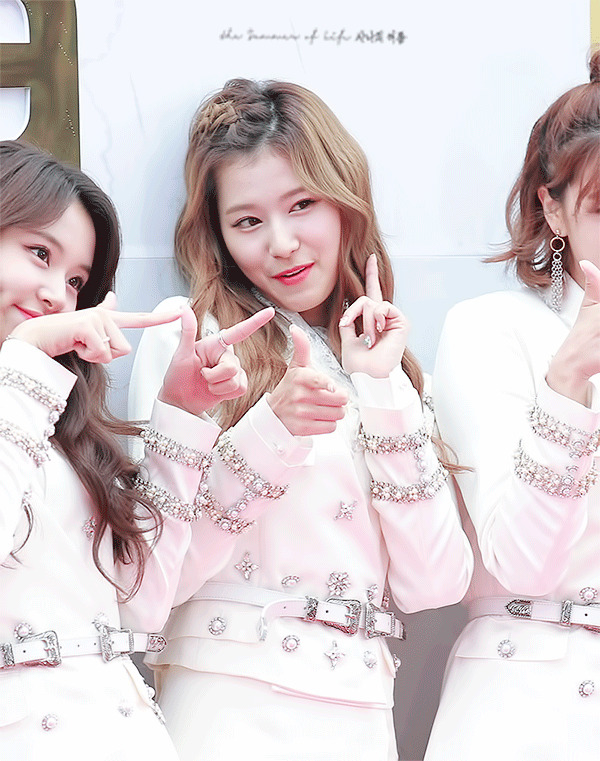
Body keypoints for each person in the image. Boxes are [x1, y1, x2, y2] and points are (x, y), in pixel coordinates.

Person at [129, 78, 473, 761]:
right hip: (230, 707)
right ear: (218, 234)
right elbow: (153, 580)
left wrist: (382, 389)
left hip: (361, 715)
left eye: (302, 205)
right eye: (248, 221)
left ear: (344, 201)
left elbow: (436, 582)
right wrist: (270, 430)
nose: (282, 243)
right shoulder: (192, 339)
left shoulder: (394, 370)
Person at [0, 139, 272, 759]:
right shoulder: (26, 392)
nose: (56, 294)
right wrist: (24, 362)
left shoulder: (58, 422)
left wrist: (182, 412)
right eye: (39, 253)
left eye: (76, 281)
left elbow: (141, 604)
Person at [425, 49, 600, 760]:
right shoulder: (492, 330)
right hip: (527, 707)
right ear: (552, 208)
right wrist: (568, 383)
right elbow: (521, 561)